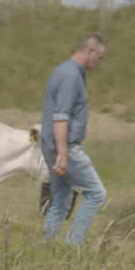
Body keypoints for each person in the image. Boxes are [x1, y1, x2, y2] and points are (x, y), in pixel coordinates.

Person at [40, 33, 107, 246]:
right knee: (96, 194)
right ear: (90, 51)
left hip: (51, 144)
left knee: (61, 198)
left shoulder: (63, 70)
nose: (99, 63)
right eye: (100, 57)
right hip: (65, 147)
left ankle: (46, 245)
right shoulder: (71, 76)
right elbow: (61, 116)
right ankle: (72, 245)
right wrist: (63, 153)